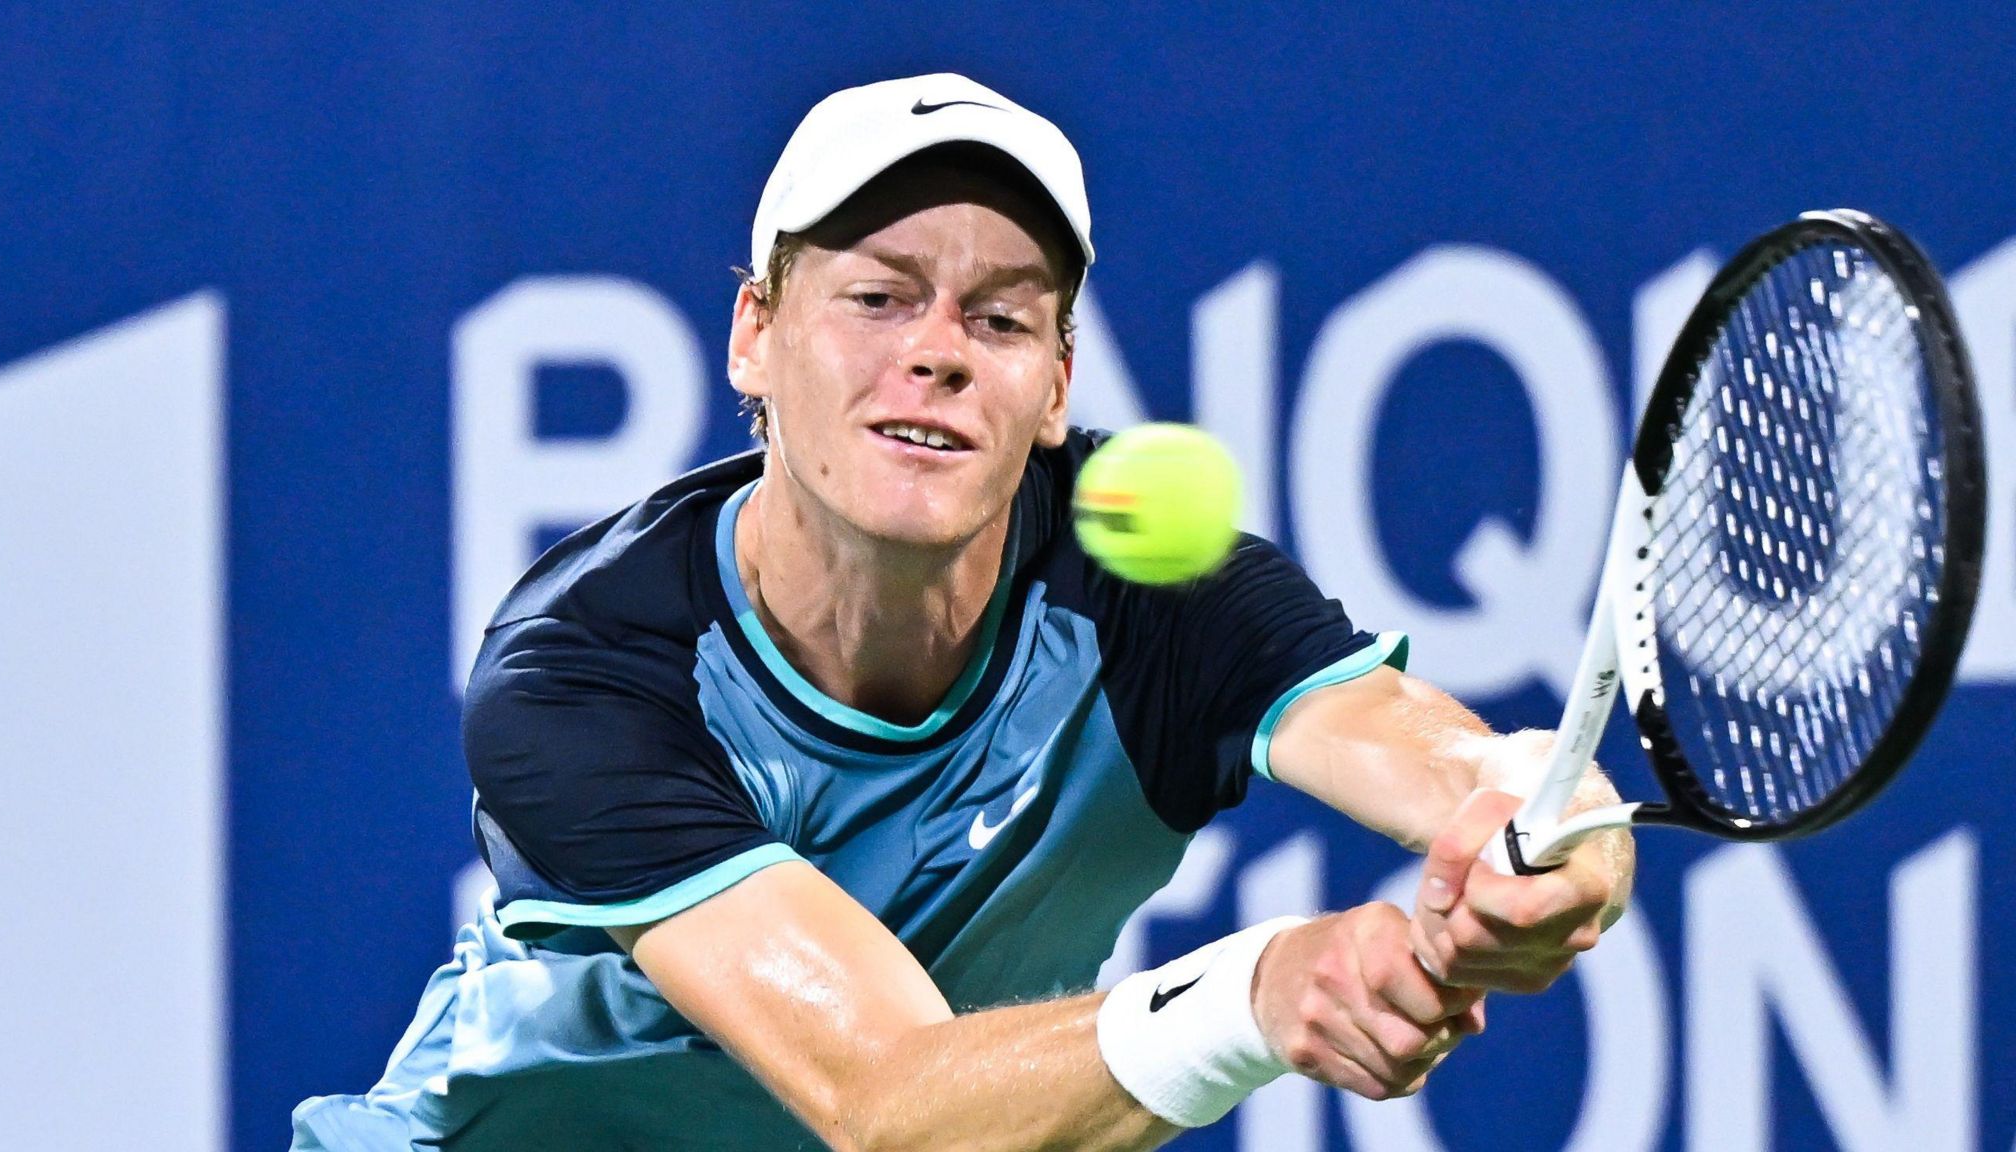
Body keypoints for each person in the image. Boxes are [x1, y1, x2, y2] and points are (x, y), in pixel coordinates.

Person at [291, 72, 1633, 1151]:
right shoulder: (586, 669)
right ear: (754, 334)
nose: (934, 349)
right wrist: (1261, 993)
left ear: (1054, 388)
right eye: (876, 297)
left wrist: (1543, 829)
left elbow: (1430, 753)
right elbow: (883, 1102)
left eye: (1000, 319)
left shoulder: (1153, 593)